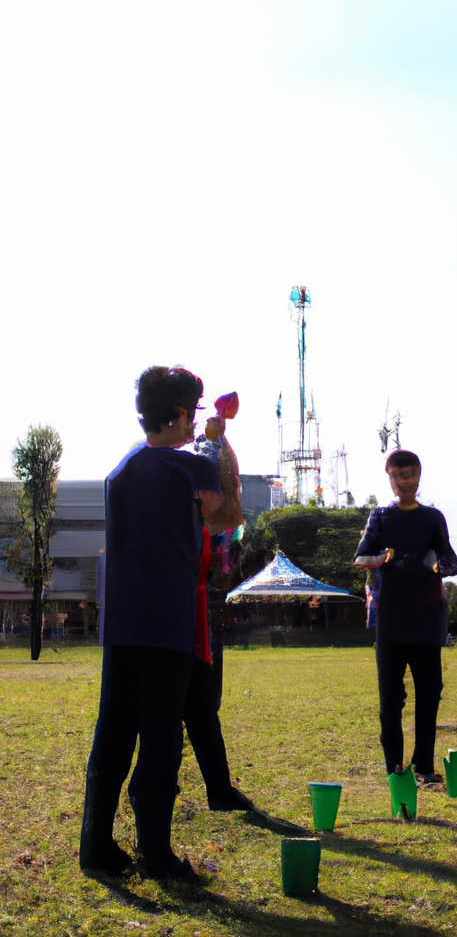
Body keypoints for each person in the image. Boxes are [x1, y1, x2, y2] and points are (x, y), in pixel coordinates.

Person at [81, 366, 230, 878]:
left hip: (122, 620)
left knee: (115, 730)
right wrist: (219, 441)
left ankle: (95, 843)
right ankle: (156, 852)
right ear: (184, 413)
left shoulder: (120, 469)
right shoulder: (190, 469)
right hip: (167, 619)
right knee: (161, 734)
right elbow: (224, 514)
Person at [355, 450, 457, 783]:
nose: (407, 482)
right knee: (390, 700)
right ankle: (394, 769)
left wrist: (444, 566)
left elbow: (449, 559)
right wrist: (379, 559)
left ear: (419, 475)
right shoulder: (381, 517)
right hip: (391, 621)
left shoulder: (432, 517)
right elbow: (362, 558)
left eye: (412, 474)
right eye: (400, 476)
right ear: (389, 477)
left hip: (428, 619)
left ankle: (425, 766)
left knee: (429, 693)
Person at [182, 411, 257, 812]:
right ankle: (156, 788)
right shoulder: (179, 509)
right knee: (168, 709)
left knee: (204, 705)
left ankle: (219, 788)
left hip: (203, 616)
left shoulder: (214, 531)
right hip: (176, 617)